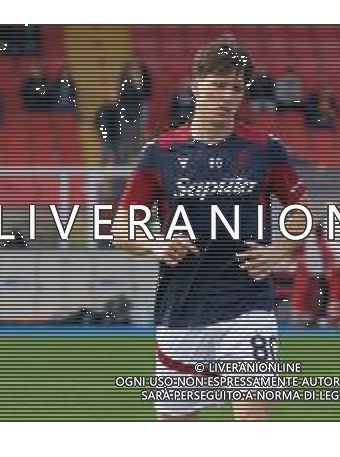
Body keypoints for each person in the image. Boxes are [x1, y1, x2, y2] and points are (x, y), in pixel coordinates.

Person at [112, 35, 312, 422]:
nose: (227, 96)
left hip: (247, 305)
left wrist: (279, 249)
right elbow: (122, 229)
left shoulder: (264, 148)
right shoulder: (160, 152)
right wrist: (156, 245)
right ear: (196, 85)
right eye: (218, 86)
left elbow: (302, 212)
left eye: (236, 88)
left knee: (253, 417)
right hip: (181, 309)